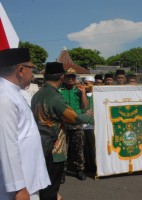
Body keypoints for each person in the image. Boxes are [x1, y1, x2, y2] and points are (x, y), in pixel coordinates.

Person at [31, 62, 93, 200]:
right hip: (54, 148)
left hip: (40, 144)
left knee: (45, 185)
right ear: (61, 78)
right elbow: (74, 118)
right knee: (51, 188)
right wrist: (89, 114)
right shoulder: (55, 97)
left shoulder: (38, 94)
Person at [0, 48, 50, 200]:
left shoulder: (17, 93)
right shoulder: (4, 97)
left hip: (28, 179)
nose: (33, 72)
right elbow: (6, 145)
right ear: (21, 70)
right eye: (31, 68)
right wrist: (18, 187)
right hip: (16, 188)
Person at [59, 68, 89, 181]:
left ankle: (79, 169)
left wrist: (83, 93)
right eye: (68, 77)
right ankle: (62, 172)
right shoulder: (59, 90)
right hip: (63, 124)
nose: (71, 79)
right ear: (64, 78)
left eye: (73, 77)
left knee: (79, 148)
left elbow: (86, 107)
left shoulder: (79, 90)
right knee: (63, 149)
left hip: (77, 123)